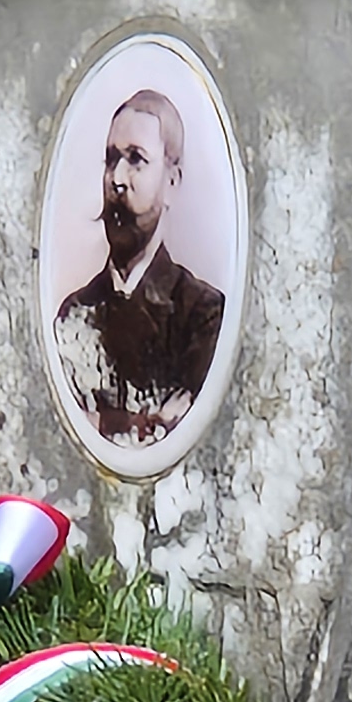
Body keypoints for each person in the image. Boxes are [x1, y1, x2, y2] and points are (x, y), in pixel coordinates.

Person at [51, 86, 224, 446]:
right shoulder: (75, 313)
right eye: (111, 159)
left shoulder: (202, 315)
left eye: (136, 159)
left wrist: (101, 420)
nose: (117, 178)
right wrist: (148, 422)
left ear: (172, 182)